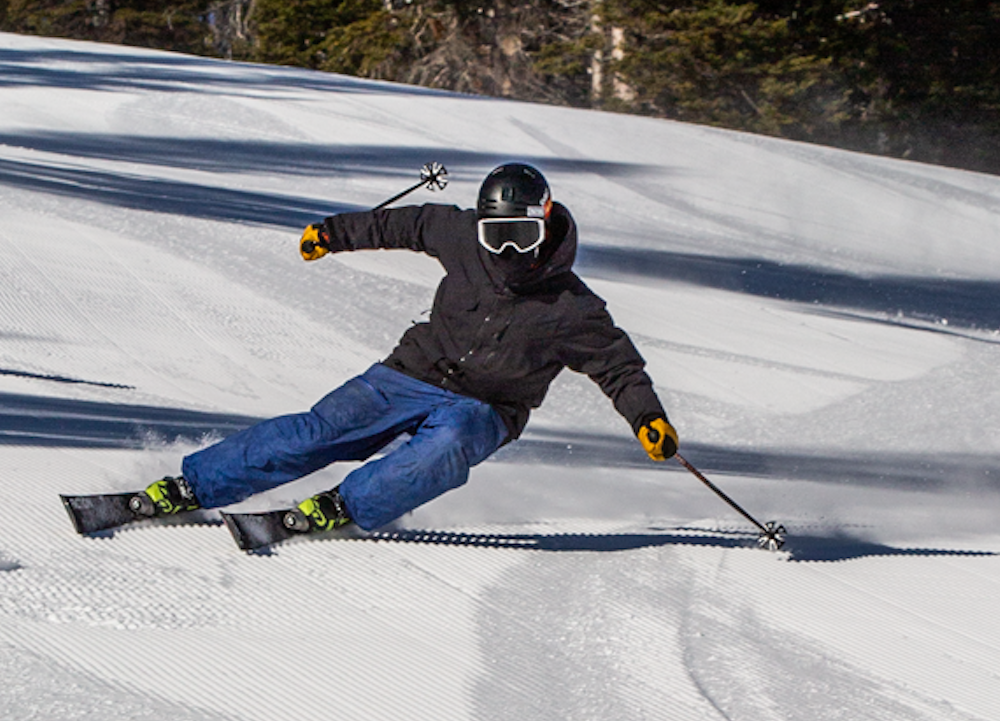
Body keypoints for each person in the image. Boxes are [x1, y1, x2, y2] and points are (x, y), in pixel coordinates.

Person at [133, 162, 680, 535]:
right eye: (498, 236)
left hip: (488, 409)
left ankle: (346, 506)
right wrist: (331, 233)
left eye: (522, 235)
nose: (510, 251)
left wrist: (646, 419)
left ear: (546, 224)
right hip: (411, 373)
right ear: (480, 227)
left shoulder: (573, 307)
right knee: (322, 430)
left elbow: (619, 366)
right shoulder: (458, 234)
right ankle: (196, 483)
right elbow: (399, 224)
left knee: (450, 444)